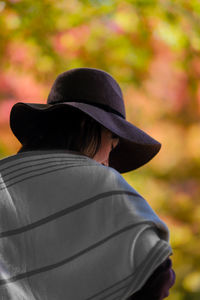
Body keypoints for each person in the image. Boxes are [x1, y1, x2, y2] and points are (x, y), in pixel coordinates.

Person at [0, 67, 175, 299]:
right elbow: (156, 268)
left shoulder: (4, 177)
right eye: (111, 146)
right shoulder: (103, 184)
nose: (107, 161)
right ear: (86, 125)